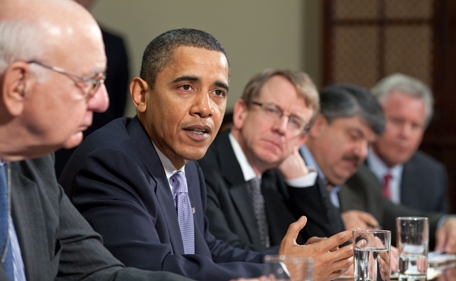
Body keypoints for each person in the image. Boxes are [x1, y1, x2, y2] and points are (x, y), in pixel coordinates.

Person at [59, 28, 354, 281]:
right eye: (186, 87)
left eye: (218, 93)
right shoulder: (111, 161)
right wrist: (285, 271)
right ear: (140, 95)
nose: (206, 108)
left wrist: (292, 258)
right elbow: (149, 268)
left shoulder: (185, 163)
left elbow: (209, 251)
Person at [0, 0, 193, 280]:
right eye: (88, 81)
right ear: (18, 86)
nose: (103, 102)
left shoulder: (34, 164)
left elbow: (99, 273)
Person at [296, 83, 456, 253]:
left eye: (369, 143)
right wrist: (338, 226)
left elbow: (396, 219)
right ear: (317, 125)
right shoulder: (280, 173)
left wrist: (443, 223)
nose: (362, 152)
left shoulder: (362, 179)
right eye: (354, 136)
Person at [198, 68, 345, 253]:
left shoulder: (280, 180)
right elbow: (220, 253)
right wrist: (297, 258)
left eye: (295, 122)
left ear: (299, 141)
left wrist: (302, 182)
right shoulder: (202, 167)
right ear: (241, 113)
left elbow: (336, 247)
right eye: (272, 110)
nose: (281, 128)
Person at [54, 0, 130, 178]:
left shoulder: (113, 45)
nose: (100, 101)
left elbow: (115, 110)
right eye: (83, 80)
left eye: (98, 81)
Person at [367, 73, 449, 213]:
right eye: (397, 121)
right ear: (374, 119)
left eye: (415, 126)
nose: (405, 134)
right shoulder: (348, 166)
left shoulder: (432, 175)